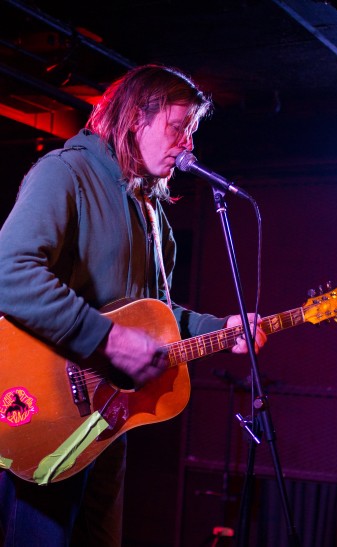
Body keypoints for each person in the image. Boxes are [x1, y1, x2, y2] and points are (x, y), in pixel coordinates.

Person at [0, 64, 267, 546]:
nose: (188, 143)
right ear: (135, 120)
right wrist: (106, 339)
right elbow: (9, 273)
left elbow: (155, 315)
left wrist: (223, 326)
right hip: (45, 412)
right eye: (178, 127)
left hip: (106, 427)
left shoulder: (151, 212)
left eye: (191, 132)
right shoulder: (65, 173)